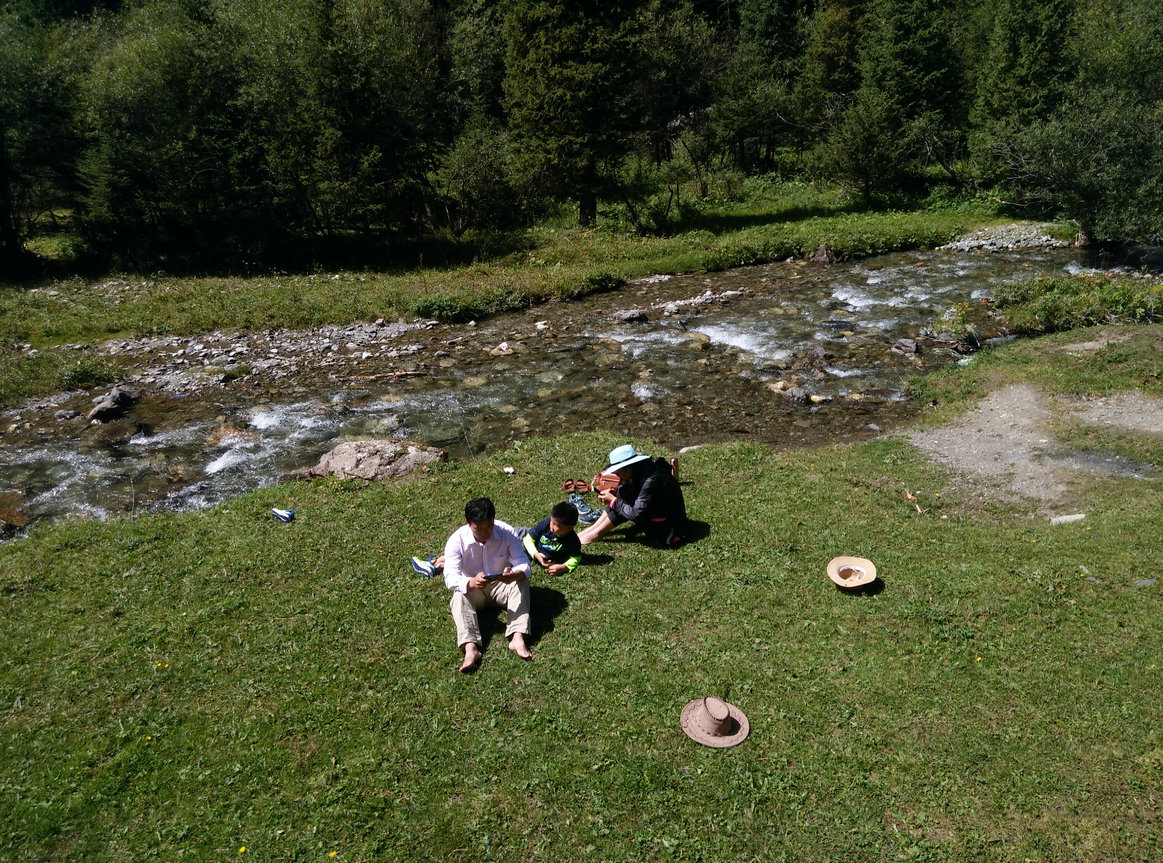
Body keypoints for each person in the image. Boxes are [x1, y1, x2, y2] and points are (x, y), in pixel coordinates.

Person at [441, 497, 532, 672]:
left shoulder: (506, 532)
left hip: (501, 584)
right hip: (474, 589)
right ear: (468, 523)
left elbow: (523, 563)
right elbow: (451, 578)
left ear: (494, 520)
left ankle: (517, 636)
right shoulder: (456, 540)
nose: (485, 532)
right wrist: (470, 582)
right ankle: (471, 647)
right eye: (479, 529)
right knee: (459, 595)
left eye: (489, 527)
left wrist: (515, 574)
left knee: (522, 583)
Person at [577, 444, 686, 548]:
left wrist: (613, 501)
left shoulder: (650, 480)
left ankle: (596, 534)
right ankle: (594, 529)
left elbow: (636, 514)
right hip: (661, 514)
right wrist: (616, 493)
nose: (617, 475)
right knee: (621, 498)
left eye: (618, 472)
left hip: (669, 529)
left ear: (628, 468)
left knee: (620, 503)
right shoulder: (643, 468)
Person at [519, 500, 582, 576]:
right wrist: (535, 554)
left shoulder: (572, 540)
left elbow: (576, 557)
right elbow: (528, 539)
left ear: (569, 528)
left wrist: (563, 567)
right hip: (531, 539)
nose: (551, 526)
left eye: (555, 524)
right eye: (551, 521)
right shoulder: (546, 523)